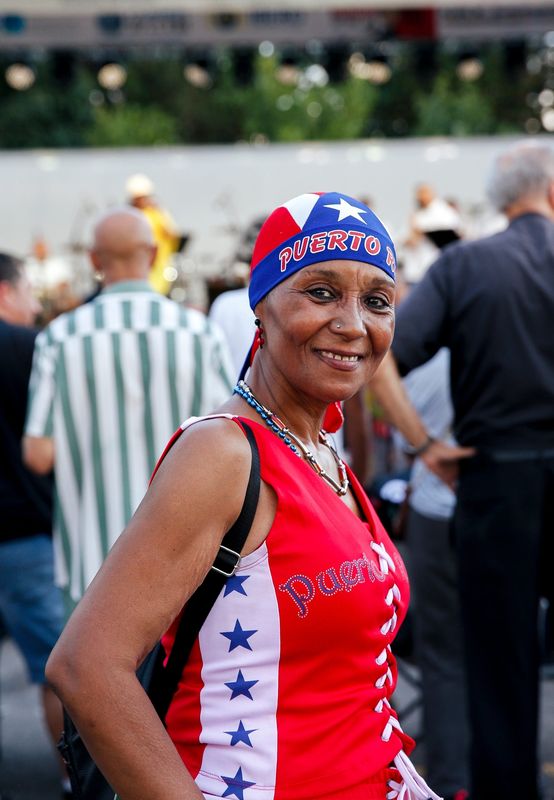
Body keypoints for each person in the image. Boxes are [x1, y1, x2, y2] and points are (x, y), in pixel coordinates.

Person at [45, 192, 440, 800]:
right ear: (262, 303)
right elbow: (86, 667)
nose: (354, 324)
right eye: (321, 292)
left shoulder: (319, 450)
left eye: (377, 301)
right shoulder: (224, 453)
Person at [370, 140, 554, 800]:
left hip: (494, 482)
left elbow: (381, 356)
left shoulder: (465, 265)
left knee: (499, 665)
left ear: (501, 201)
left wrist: (422, 445)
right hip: (504, 475)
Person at [23, 208, 234, 615]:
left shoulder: (59, 338)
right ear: (153, 255)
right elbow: (237, 434)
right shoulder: (201, 333)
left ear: (94, 260)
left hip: (92, 561)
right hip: (189, 557)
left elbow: (38, 454)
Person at [0, 253, 70, 798]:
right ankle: (74, 780)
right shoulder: (29, 348)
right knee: (59, 668)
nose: (31, 304)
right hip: (25, 530)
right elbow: (49, 446)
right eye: (27, 292)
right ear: (5, 293)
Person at [399, 350, 469, 800]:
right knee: (505, 649)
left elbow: (404, 435)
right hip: (502, 507)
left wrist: (425, 446)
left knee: (442, 655)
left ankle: (452, 781)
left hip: (436, 510)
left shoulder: (427, 358)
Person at [126, 173, 180, 296]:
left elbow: (172, 233)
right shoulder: (131, 214)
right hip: (140, 265)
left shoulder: (157, 213)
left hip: (159, 264)